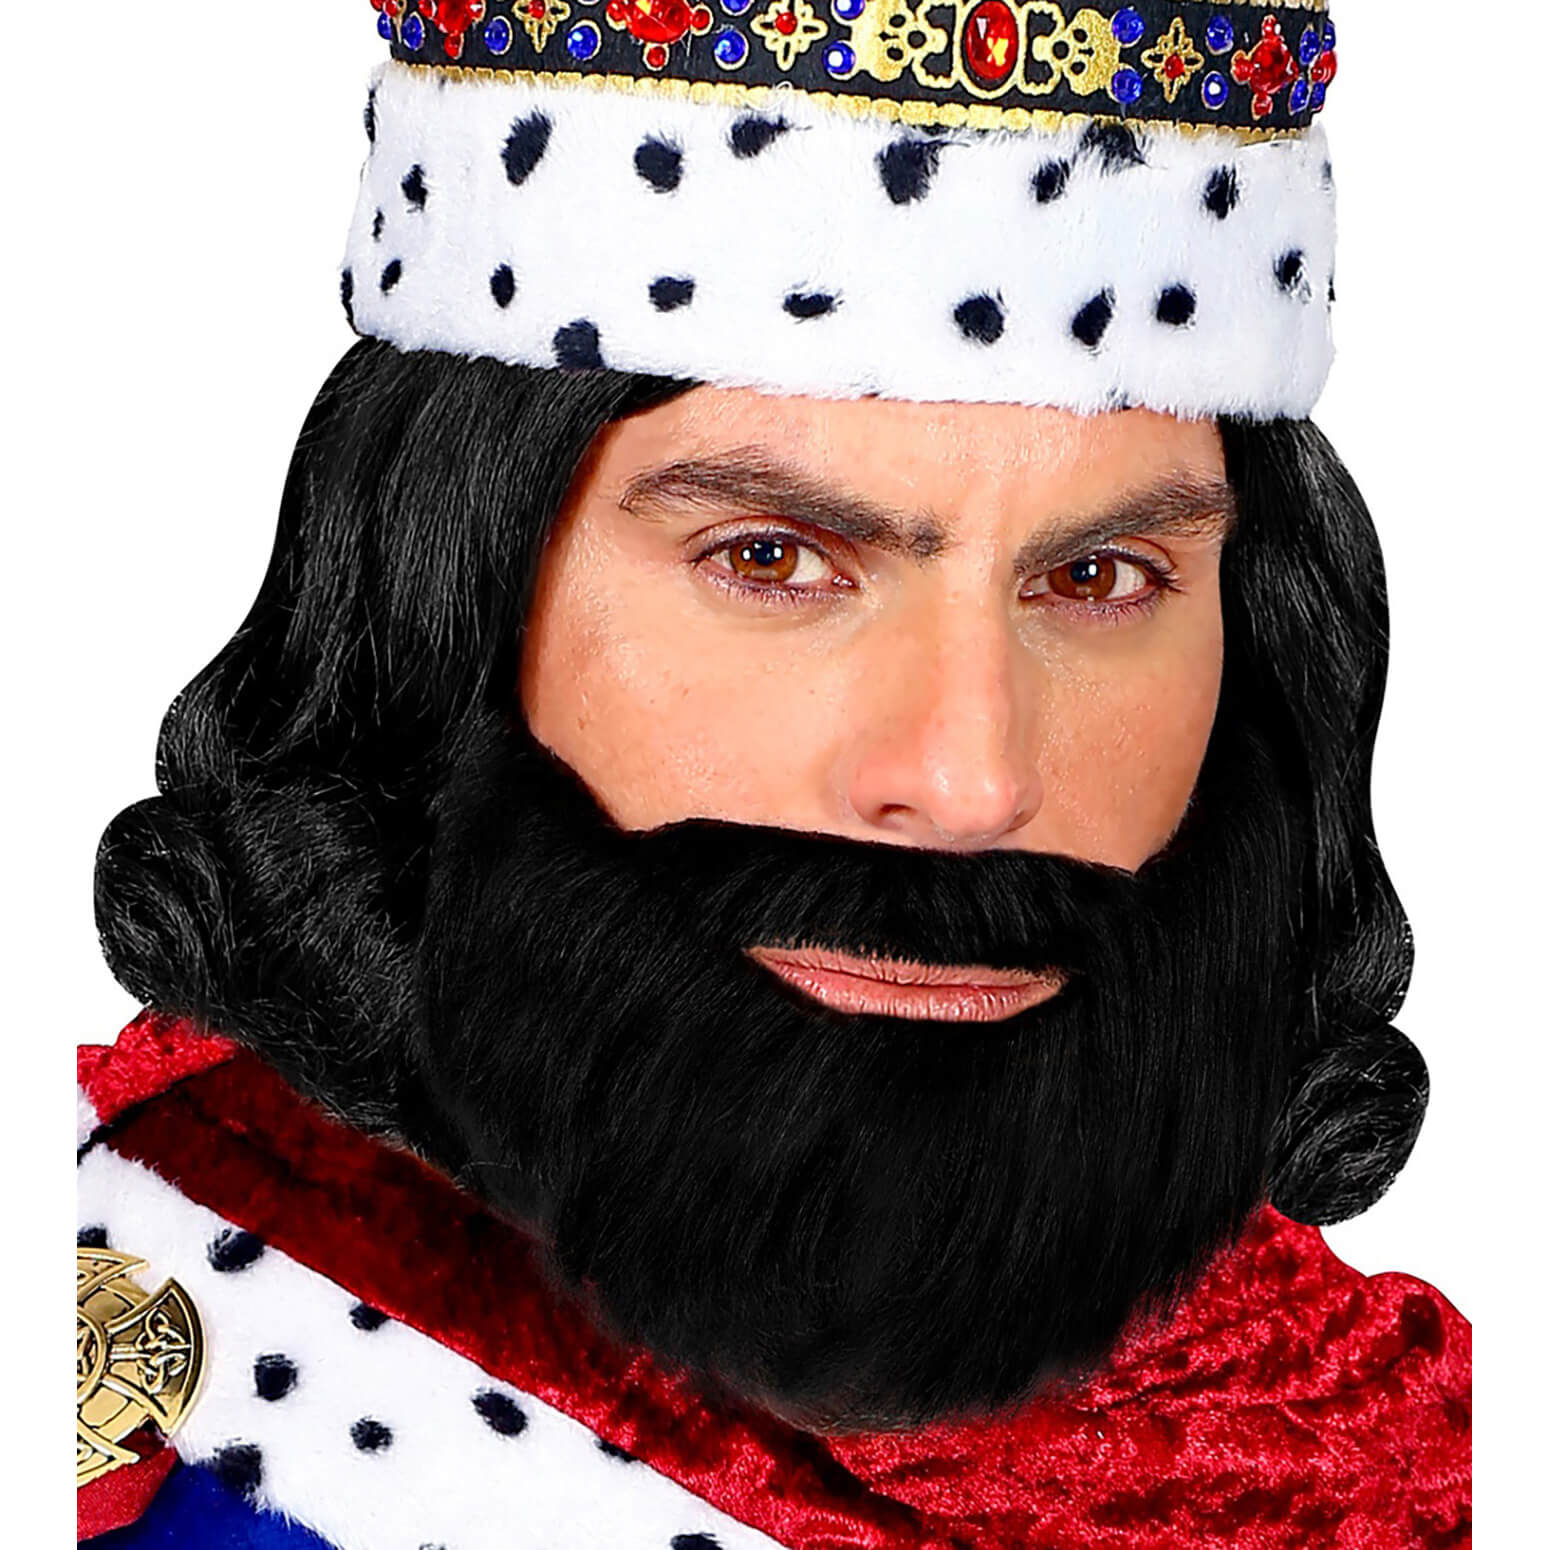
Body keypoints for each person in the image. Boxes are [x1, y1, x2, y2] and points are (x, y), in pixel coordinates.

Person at [76, 2, 1471, 1545]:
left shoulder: (1393, 1455)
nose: (967, 780)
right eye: (770, 559)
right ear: (448, 610)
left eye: (1095, 579)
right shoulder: (144, 1345)